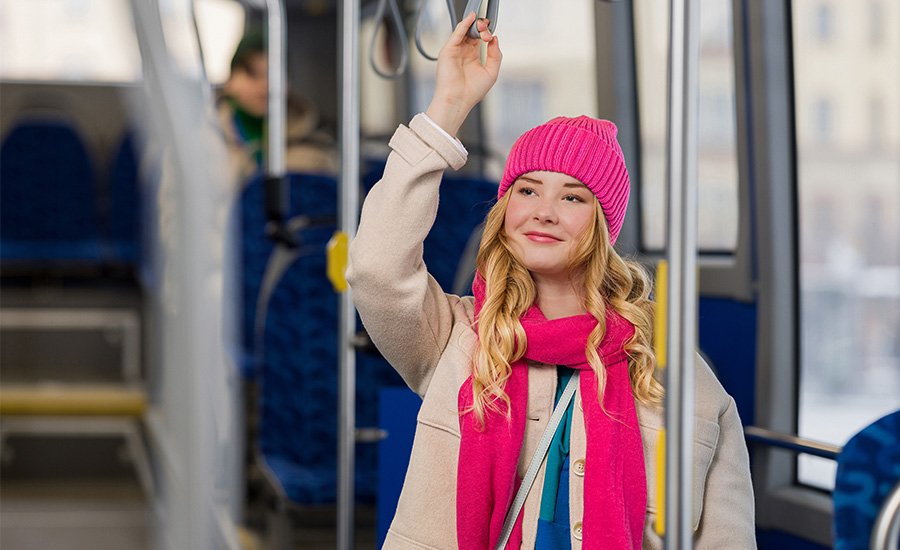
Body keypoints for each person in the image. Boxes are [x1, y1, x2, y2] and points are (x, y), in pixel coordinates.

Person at [347, 12, 755, 549]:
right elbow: (376, 268)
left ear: (602, 225)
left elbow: (724, 538)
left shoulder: (668, 369)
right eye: (527, 190)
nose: (543, 211)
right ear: (505, 208)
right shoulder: (459, 339)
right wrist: (448, 107)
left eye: (572, 197)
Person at [219, 30, 337, 184]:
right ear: (230, 82)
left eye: (274, 74)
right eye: (253, 73)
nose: (265, 85)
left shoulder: (317, 148)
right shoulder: (201, 142)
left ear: (288, 83)